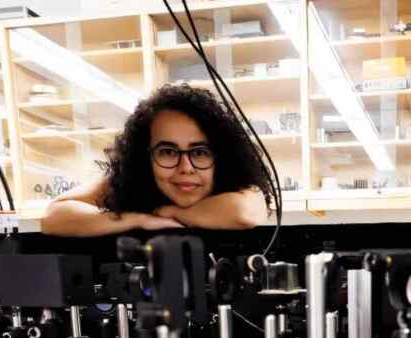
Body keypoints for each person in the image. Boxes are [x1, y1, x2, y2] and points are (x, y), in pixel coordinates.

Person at [41, 83, 273, 236]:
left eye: (199, 152)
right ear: (145, 157)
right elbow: (54, 216)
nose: (186, 168)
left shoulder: (239, 184)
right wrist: (137, 220)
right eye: (168, 152)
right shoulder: (127, 179)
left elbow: (244, 213)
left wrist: (170, 213)